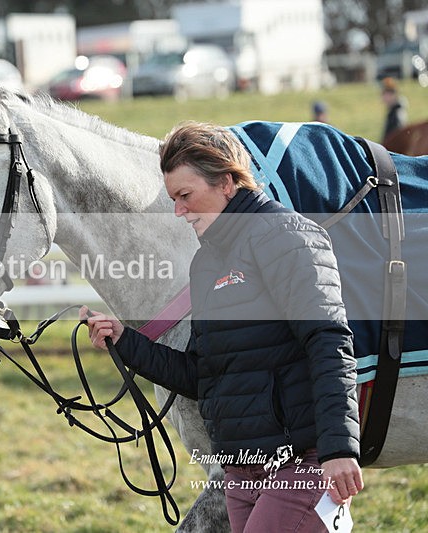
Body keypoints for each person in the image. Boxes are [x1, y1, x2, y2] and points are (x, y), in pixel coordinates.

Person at [82, 121, 363, 532]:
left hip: (302, 465)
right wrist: (125, 341)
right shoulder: (206, 262)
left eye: (185, 196)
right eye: (174, 199)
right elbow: (203, 375)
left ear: (227, 182)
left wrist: (339, 448)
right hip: (241, 472)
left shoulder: (288, 236)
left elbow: (329, 342)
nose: (179, 212)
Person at [381, 77, 407, 142]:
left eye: (384, 93)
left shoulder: (396, 114)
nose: (382, 97)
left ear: (391, 95)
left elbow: (395, 138)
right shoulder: (393, 111)